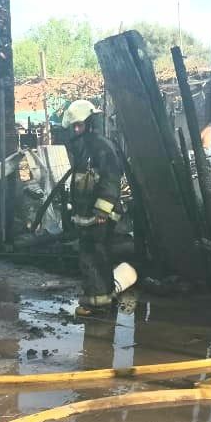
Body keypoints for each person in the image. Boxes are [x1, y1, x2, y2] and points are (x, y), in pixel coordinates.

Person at [62, 101, 123, 316]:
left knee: (94, 256)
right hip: (88, 213)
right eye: (74, 126)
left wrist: (102, 211)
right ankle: (101, 297)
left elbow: (111, 178)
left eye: (79, 125)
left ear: (90, 122)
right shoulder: (85, 147)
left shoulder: (101, 145)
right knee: (94, 254)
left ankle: (97, 304)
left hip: (99, 215)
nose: (76, 130)